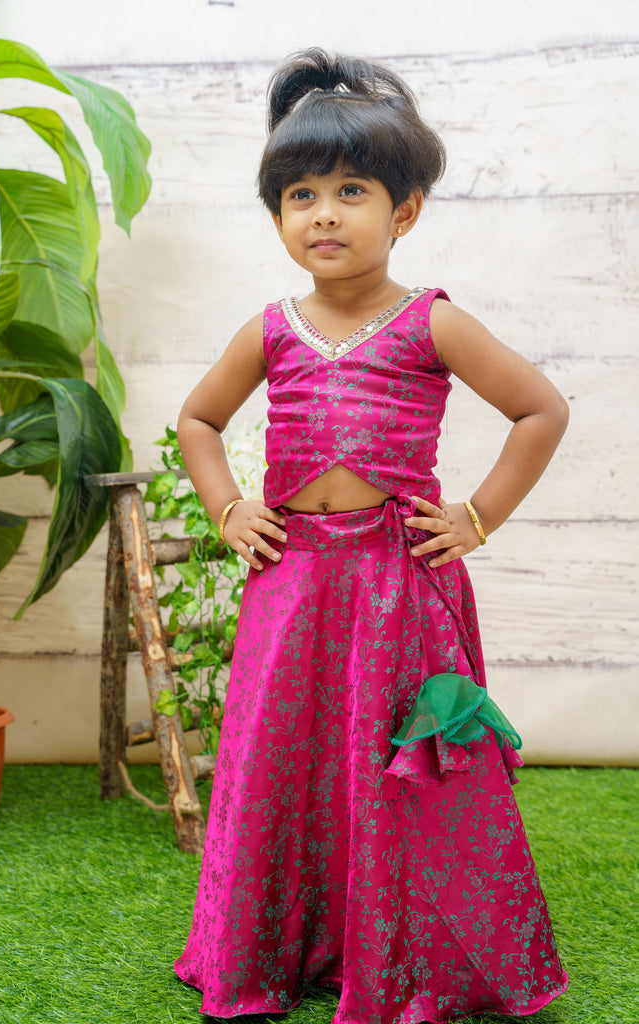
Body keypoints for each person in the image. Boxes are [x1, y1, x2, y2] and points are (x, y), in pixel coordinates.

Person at [174, 47, 569, 1024]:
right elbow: (198, 421)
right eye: (299, 195)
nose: (323, 213)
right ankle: (279, 946)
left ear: (404, 212)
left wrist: (475, 515)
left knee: (393, 770)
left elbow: (540, 410)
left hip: (397, 587)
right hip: (292, 587)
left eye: (350, 191)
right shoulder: (270, 329)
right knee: (283, 762)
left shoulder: (431, 323)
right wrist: (229, 509)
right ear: (277, 217)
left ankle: (402, 957)